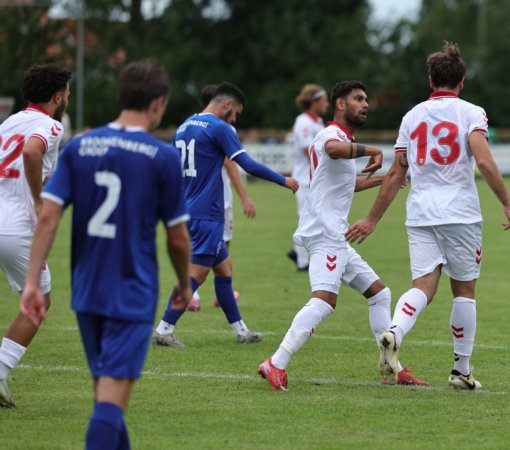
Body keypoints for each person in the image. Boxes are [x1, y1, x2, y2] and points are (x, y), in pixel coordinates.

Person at [19, 60, 192, 448]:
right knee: (110, 400)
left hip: (87, 291)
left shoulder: (82, 146)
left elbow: (48, 215)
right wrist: (184, 284)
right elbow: (178, 239)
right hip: (131, 293)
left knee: (106, 394)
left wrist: (32, 282)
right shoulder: (161, 156)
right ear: (158, 104)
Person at [346, 42, 510, 389]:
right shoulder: (472, 112)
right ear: (462, 81)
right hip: (460, 214)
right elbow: (483, 160)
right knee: (464, 291)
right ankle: (461, 370)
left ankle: (394, 331)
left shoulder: (411, 116)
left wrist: (372, 219)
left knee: (423, 286)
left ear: (430, 79)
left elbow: (397, 173)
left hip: (420, 214)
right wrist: (507, 203)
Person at [258, 80, 426, 390]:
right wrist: (375, 150)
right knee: (324, 300)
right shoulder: (330, 135)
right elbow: (334, 150)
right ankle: (275, 363)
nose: (365, 104)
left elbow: (344, 185)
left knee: (379, 293)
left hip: (334, 234)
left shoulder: (343, 138)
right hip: (325, 232)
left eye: (366, 99)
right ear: (340, 104)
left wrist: (381, 181)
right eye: (358, 99)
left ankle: (393, 368)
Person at [152, 82, 299, 348]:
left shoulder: (184, 126)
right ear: (227, 104)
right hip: (206, 214)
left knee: (224, 268)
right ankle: (164, 328)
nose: (235, 119)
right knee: (196, 274)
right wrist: (283, 179)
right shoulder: (219, 128)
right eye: (236, 113)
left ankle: (241, 331)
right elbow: (247, 164)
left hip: (188, 209)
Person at [0, 63, 71, 408]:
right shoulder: (50, 125)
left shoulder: (9, 122)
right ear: (58, 96)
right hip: (17, 229)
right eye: (68, 92)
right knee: (38, 302)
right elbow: (31, 151)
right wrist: (39, 197)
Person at [186, 84, 256, 311]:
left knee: (205, 249)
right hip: (217, 201)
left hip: (190, 200)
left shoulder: (191, 125)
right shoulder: (222, 128)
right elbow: (231, 163)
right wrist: (244, 196)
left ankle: (216, 294)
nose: (234, 118)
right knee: (218, 246)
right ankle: (193, 294)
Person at [286, 84, 329, 271]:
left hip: (314, 179)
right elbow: (307, 150)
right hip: (304, 179)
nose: (327, 104)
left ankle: (300, 253)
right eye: (324, 100)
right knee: (306, 217)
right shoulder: (303, 122)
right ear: (314, 101)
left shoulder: (317, 122)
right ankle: (302, 261)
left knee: (316, 218)